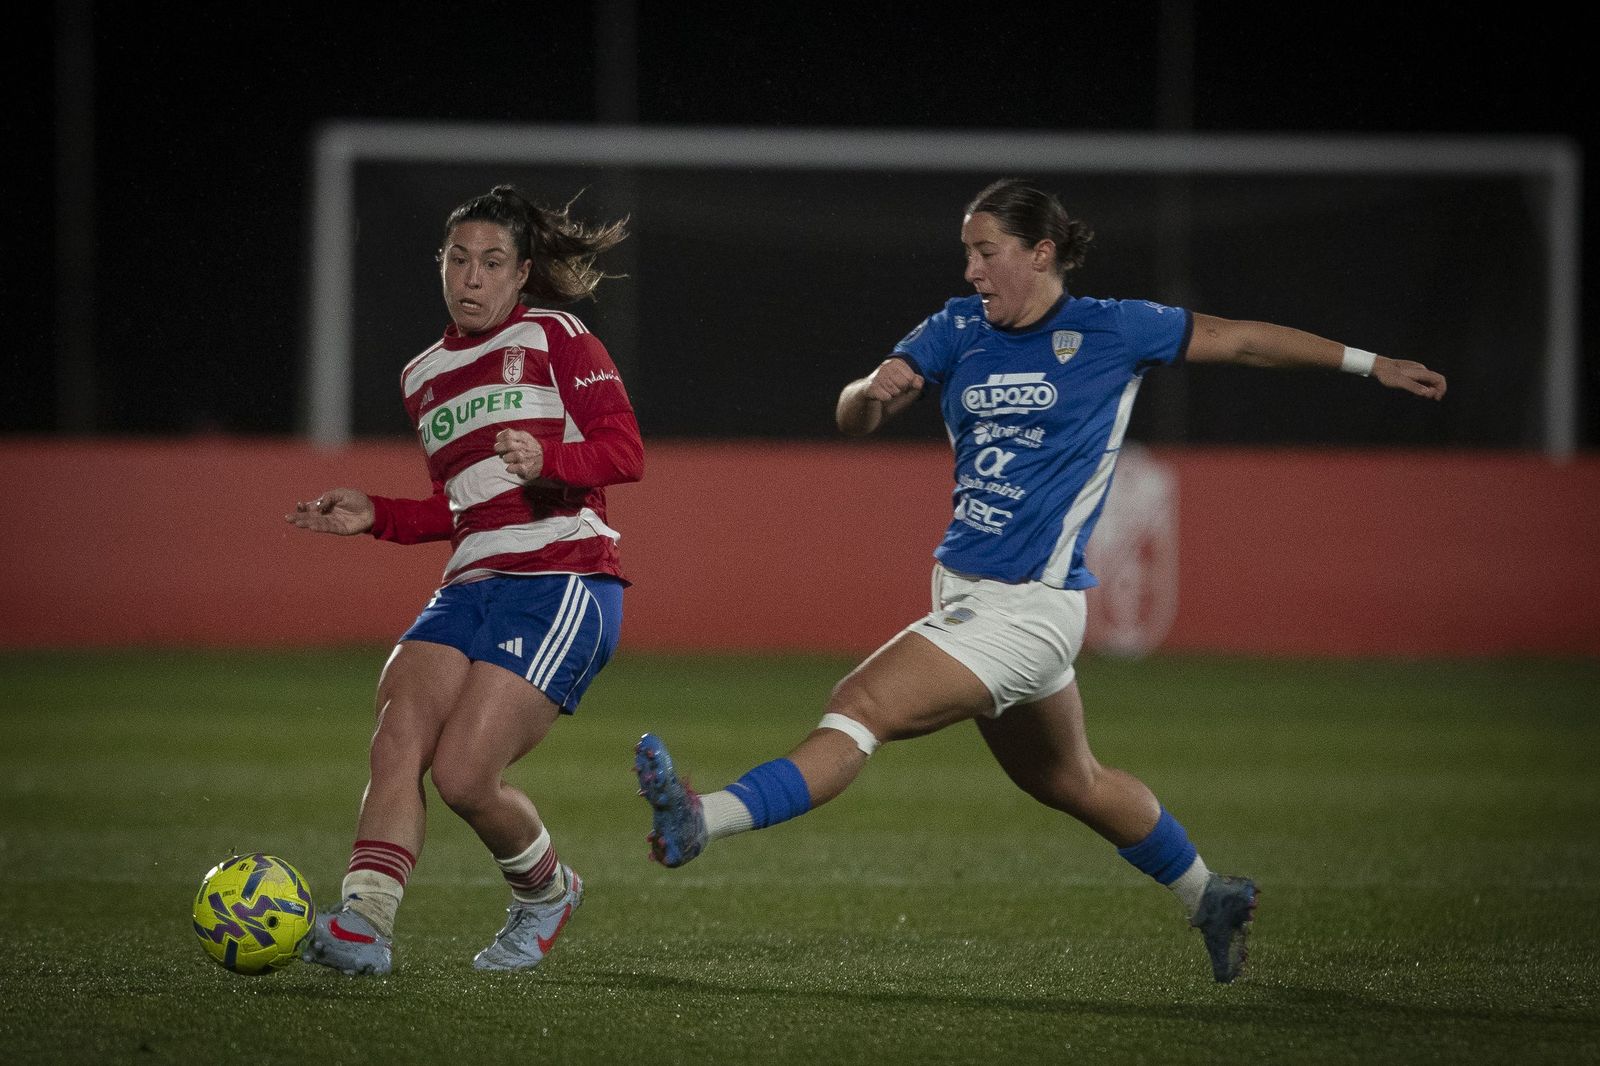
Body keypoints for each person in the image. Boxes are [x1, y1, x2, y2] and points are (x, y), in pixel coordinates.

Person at [634, 177, 1446, 984]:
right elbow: (856, 413)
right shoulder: (956, 330)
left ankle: (704, 820)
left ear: (1042, 253)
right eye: (968, 254)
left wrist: (1370, 364)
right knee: (1070, 780)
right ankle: (1211, 893)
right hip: (968, 598)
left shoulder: (1114, 329)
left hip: (1028, 608)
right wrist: (870, 393)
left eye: (987, 253)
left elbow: (1238, 339)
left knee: (860, 707)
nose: (973, 272)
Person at [288, 184, 642, 975]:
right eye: (458, 260)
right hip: (469, 581)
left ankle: (548, 895)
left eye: (491, 263)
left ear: (521, 275)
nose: (471, 278)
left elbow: (625, 453)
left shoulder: (559, 335)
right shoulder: (424, 375)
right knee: (396, 737)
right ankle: (365, 923)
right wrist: (376, 514)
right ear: (440, 266)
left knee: (463, 777)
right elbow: (466, 509)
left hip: (563, 577)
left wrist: (549, 459)